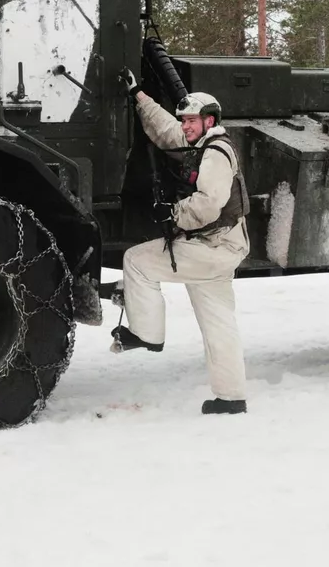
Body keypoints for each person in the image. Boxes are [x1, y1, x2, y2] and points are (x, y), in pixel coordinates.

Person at [113, 89, 252, 415]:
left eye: (192, 120)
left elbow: (209, 202)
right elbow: (166, 131)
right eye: (185, 120)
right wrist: (138, 96)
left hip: (215, 246)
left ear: (210, 121)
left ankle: (146, 334)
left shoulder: (217, 153)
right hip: (220, 246)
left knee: (137, 261)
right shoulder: (199, 142)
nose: (186, 126)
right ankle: (231, 398)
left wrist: (174, 214)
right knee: (218, 322)